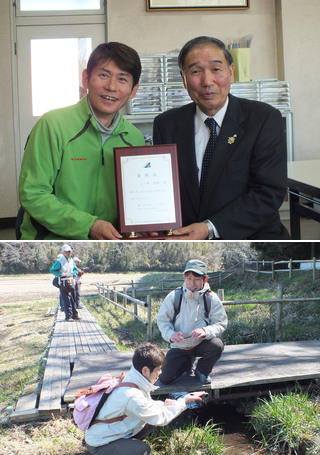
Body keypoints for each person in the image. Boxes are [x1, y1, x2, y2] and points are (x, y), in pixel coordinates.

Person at [153, 36, 290, 240]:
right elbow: (161, 188)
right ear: (183, 78)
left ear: (231, 72)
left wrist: (209, 228)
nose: (207, 81)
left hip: (252, 236)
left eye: (216, 69)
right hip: (185, 236)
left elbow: (268, 193)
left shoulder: (264, 118)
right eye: (196, 71)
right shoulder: (166, 124)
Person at [19, 42, 145, 240]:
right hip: (51, 240)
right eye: (103, 75)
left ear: (133, 90)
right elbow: (33, 193)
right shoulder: (53, 125)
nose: (111, 87)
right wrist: (88, 225)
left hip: (110, 241)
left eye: (122, 79)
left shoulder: (135, 138)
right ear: (86, 78)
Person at [85, 342, 205, 455]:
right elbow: (160, 418)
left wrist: (163, 405)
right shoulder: (131, 395)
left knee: (151, 420)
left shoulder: (132, 378)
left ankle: (125, 445)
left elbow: (147, 406)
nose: (160, 372)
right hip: (99, 444)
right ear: (145, 370)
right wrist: (183, 401)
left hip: (108, 431)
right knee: (143, 450)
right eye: (158, 369)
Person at [157, 259, 227, 384]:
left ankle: (202, 370)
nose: (192, 283)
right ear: (184, 277)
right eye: (189, 278)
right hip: (180, 347)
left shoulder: (211, 298)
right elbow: (163, 321)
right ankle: (187, 363)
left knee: (217, 345)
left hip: (201, 344)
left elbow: (220, 322)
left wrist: (205, 331)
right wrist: (171, 335)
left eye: (197, 279)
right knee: (164, 378)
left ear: (205, 279)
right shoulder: (174, 296)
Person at [50, 244, 80, 321]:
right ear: (63, 252)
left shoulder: (72, 261)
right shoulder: (59, 261)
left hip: (71, 281)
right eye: (66, 252)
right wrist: (61, 274)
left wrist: (73, 274)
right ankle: (68, 316)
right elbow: (52, 270)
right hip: (63, 282)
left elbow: (76, 270)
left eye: (69, 251)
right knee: (66, 300)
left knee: (73, 299)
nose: (68, 253)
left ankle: (75, 315)